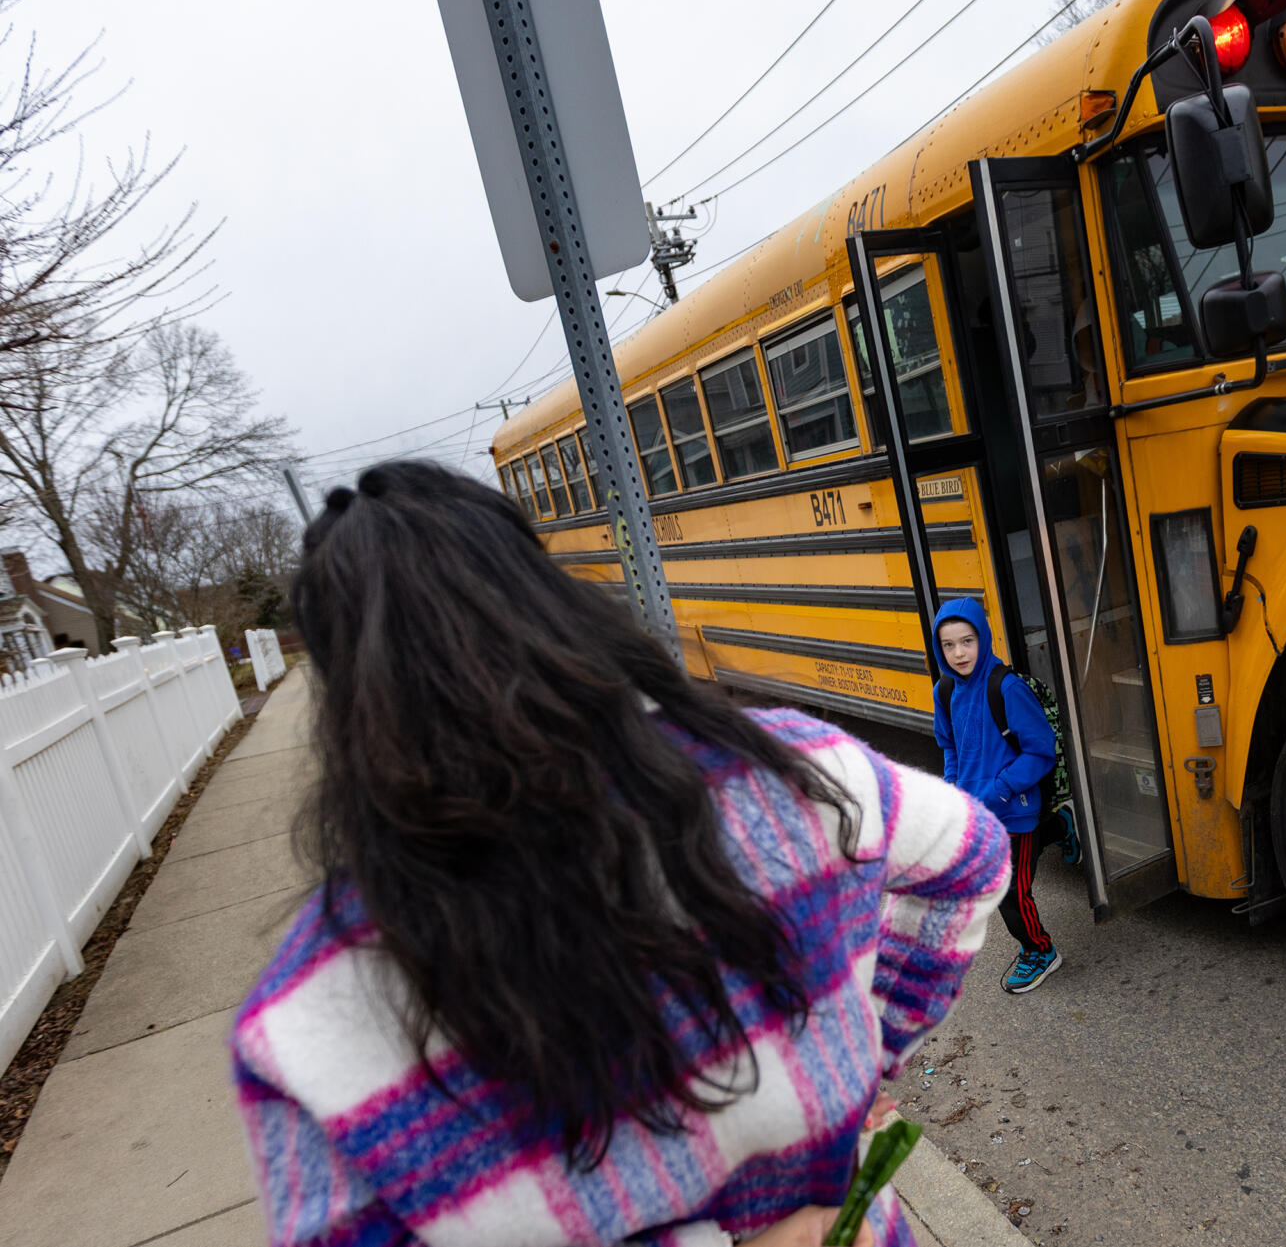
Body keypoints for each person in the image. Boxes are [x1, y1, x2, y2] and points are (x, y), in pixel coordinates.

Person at [230, 461, 1010, 1247]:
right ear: (548, 600)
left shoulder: (303, 1022)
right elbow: (970, 856)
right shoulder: (795, 772)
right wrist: (863, 1056)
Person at [929, 597, 1063, 995]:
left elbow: (1041, 751)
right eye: (948, 645)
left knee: (1008, 892)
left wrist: (998, 790)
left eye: (966, 641)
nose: (958, 653)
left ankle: (1041, 951)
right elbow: (949, 744)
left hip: (1013, 813)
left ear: (982, 638)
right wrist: (954, 786)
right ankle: (1061, 826)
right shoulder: (945, 689)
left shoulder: (1006, 687)